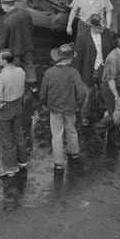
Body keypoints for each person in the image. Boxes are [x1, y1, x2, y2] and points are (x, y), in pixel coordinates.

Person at [39, 44, 87, 172]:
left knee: (57, 135)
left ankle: (59, 163)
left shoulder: (50, 72)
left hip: (54, 109)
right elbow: (81, 92)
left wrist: (44, 103)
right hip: (70, 108)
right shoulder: (73, 72)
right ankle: (74, 152)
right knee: (71, 130)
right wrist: (78, 105)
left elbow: (43, 91)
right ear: (70, 59)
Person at [0, 0, 37, 138]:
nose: (2, 7)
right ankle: (34, 87)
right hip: (27, 45)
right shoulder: (25, 12)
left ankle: (19, 93)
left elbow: (3, 40)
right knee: (30, 65)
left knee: (17, 71)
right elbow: (31, 28)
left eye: (2, 5)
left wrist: (1, 52)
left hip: (14, 50)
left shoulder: (7, 20)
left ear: (6, 5)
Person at [0, 49, 28, 178]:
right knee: (18, 134)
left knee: (6, 139)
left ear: (5, 61)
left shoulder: (1, 77)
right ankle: (22, 161)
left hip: (6, 108)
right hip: (17, 105)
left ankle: (9, 169)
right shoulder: (20, 71)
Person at [72, 14, 114, 127]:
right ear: (93, 27)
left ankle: (103, 104)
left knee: (104, 89)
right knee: (87, 94)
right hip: (88, 70)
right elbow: (78, 58)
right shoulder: (82, 37)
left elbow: (112, 50)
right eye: (100, 28)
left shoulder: (107, 33)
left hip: (103, 68)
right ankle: (85, 115)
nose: (103, 30)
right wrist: (76, 75)